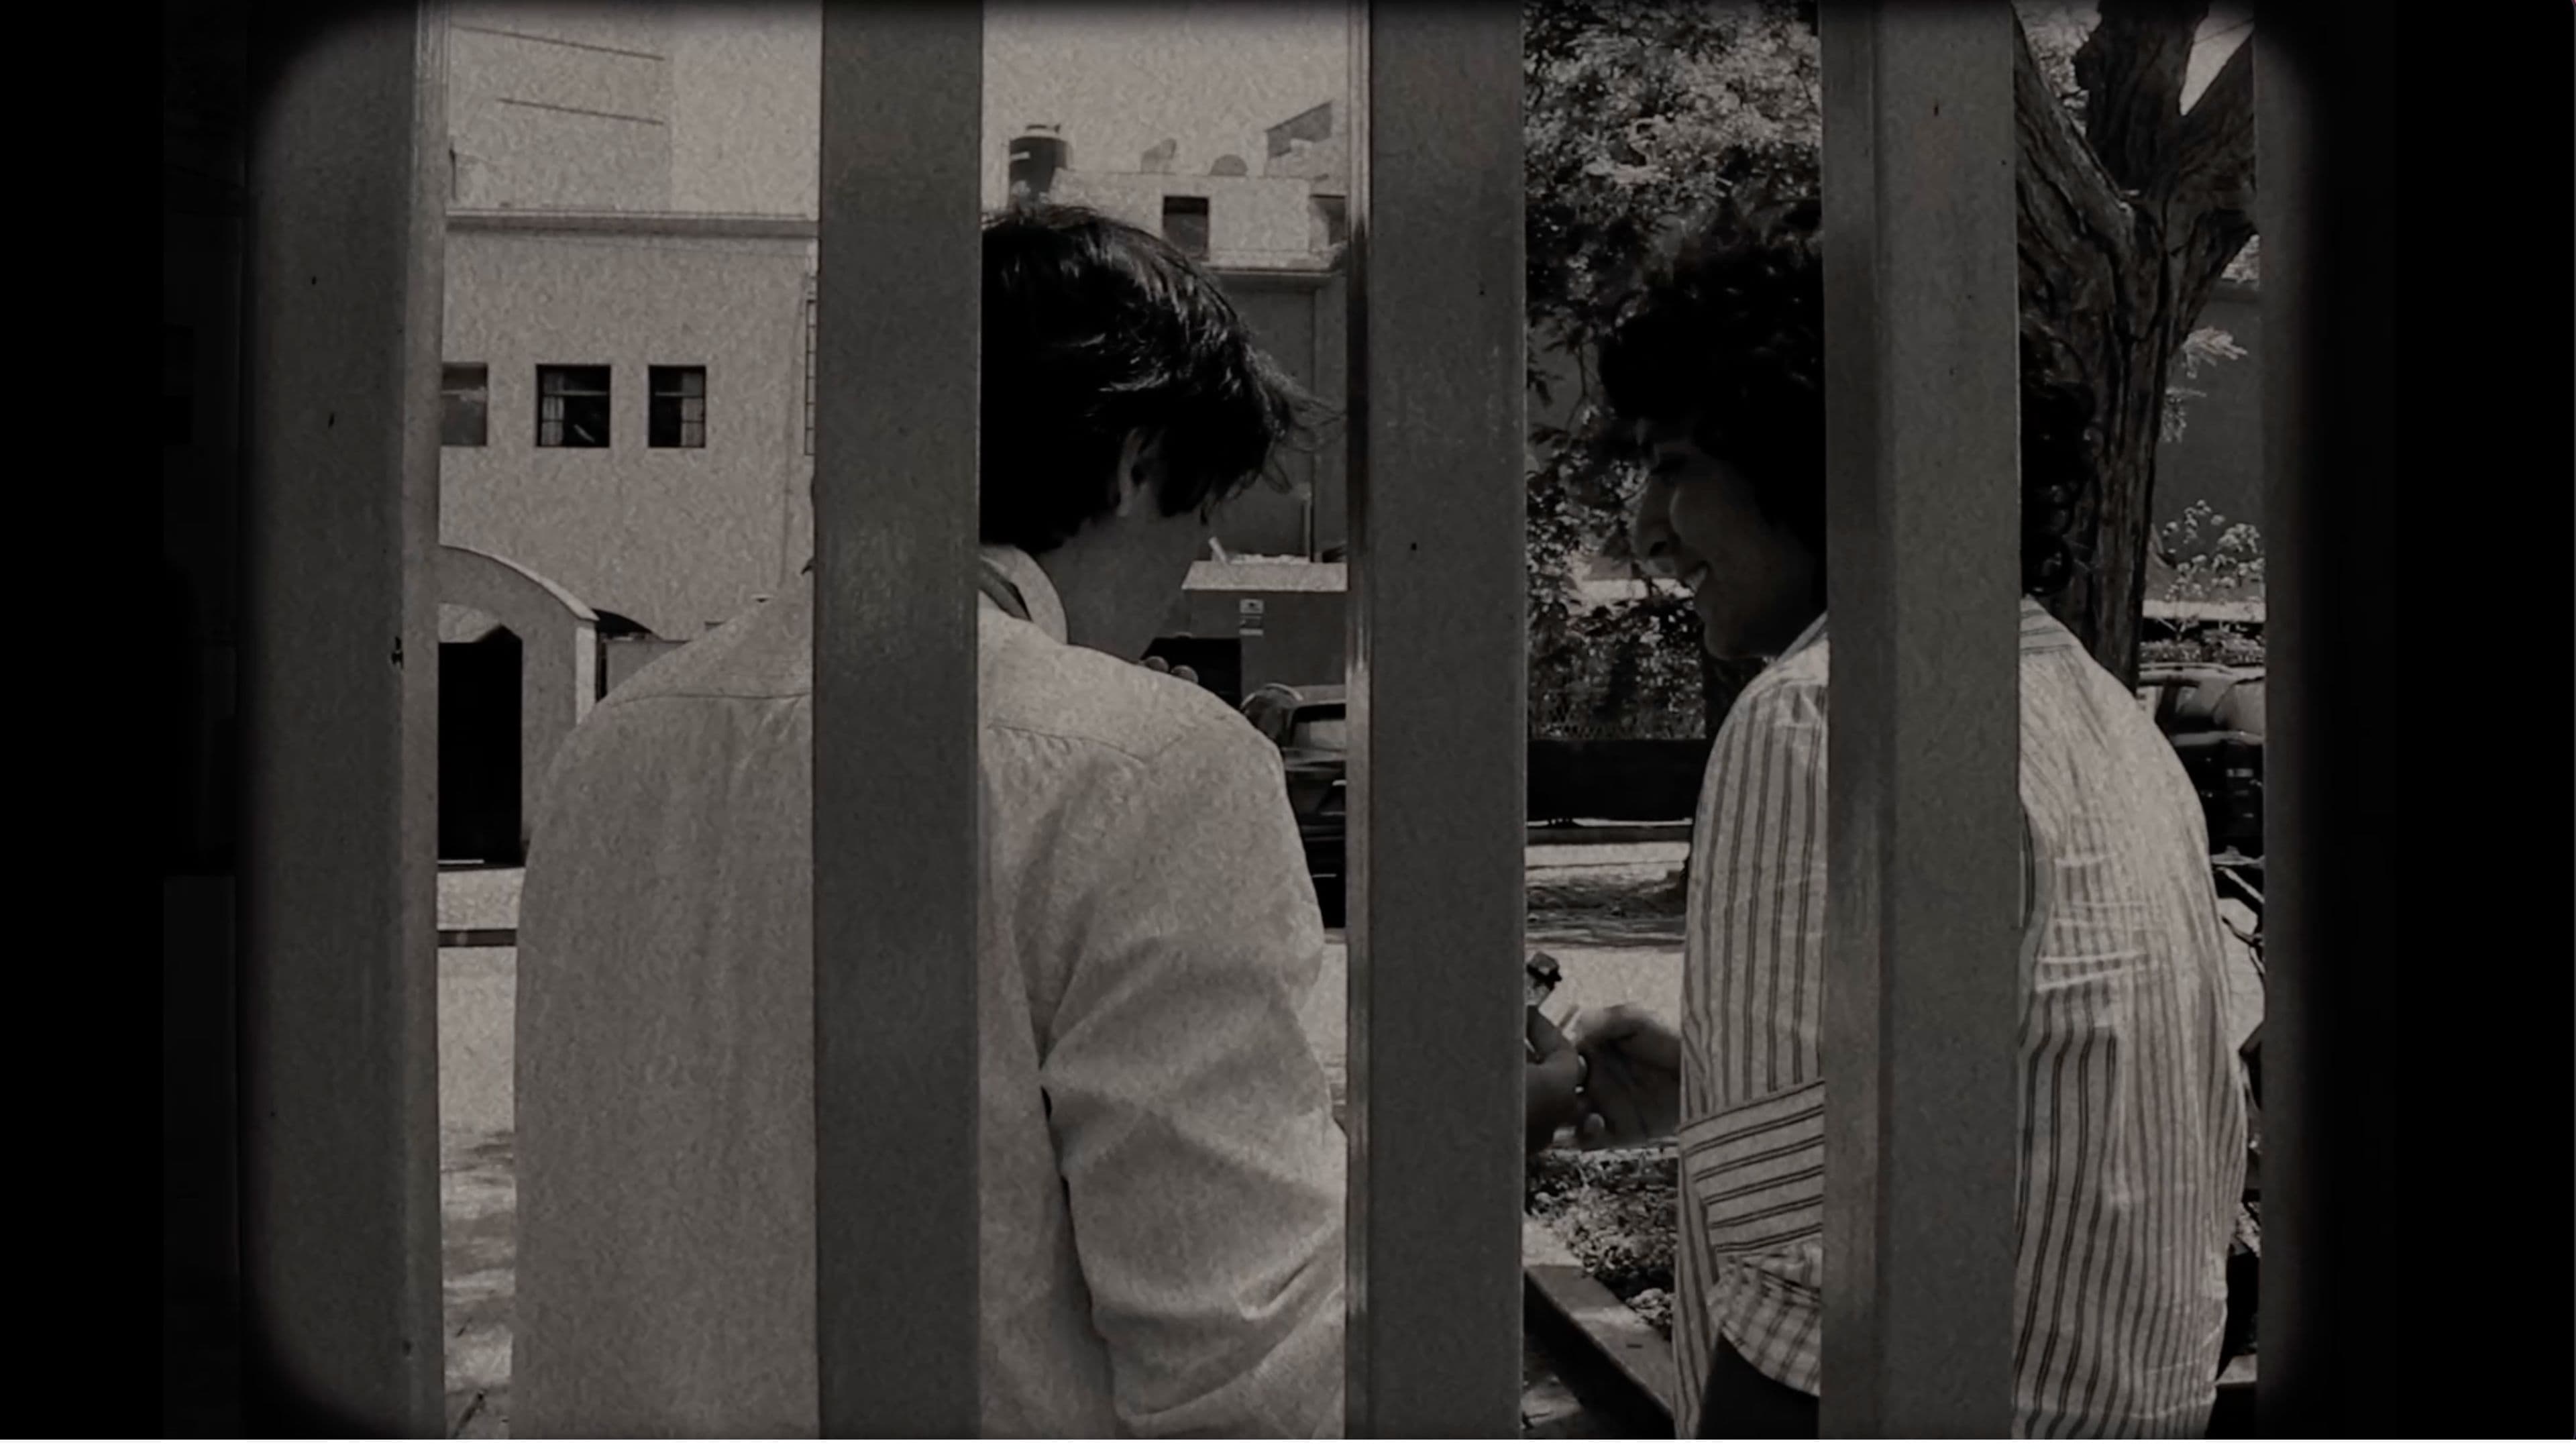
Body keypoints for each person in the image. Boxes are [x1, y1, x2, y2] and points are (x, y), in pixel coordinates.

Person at [513, 203, 1345, 1438]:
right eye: (1201, 515)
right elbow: (1244, 1358)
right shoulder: (1151, 768)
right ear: (1137, 461)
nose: (1195, 563)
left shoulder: (615, 747)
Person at [1525, 190, 2250, 1438]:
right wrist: (1739, 1104)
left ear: (1805, 458)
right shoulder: (2095, 711)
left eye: (1676, 467)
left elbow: (1819, 1302)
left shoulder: (1822, 715)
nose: (1645, 529)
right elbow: (2062, 1121)